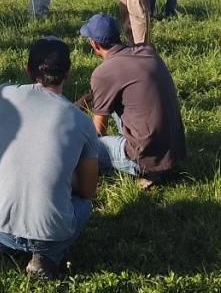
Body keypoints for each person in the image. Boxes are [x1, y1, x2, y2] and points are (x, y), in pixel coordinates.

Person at [0, 37, 99, 279]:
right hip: (51, 233)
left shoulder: (3, 94)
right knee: (84, 206)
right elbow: (89, 190)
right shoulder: (82, 122)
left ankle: (7, 250)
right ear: (68, 73)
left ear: (28, 69)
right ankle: (47, 257)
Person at [79, 13, 186, 189]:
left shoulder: (104, 73)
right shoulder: (147, 51)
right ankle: (158, 166)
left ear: (94, 44)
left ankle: (149, 170)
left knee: (84, 147)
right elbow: (104, 92)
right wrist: (80, 104)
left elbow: (98, 132)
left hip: (145, 156)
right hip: (175, 148)